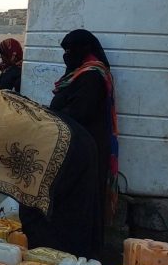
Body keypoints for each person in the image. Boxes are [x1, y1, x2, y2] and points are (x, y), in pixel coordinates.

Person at [0, 74, 103, 258]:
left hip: (68, 154)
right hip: (77, 140)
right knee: (45, 208)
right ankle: (69, 257)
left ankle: (57, 260)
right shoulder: (2, 98)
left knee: (48, 212)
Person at [49, 29, 118, 215]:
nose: (66, 57)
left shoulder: (92, 76)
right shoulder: (79, 73)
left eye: (70, 51)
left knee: (82, 206)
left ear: (83, 51)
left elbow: (80, 112)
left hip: (86, 149)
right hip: (76, 147)